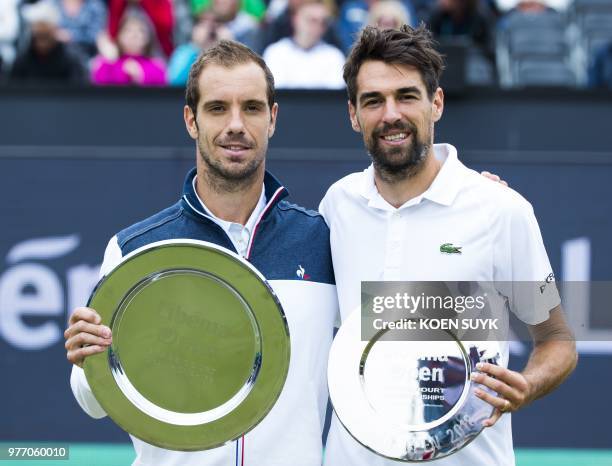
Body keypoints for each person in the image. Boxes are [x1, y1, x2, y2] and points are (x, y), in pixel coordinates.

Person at [65, 40, 338, 466]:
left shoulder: (323, 241)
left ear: (273, 118)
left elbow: (399, 333)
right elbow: (93, 401)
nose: (235, 124)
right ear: (191, 120)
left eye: (251, 107)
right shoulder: (135, 250)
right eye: (217, 108)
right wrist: (87, 361)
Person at [319, 25, 577, 466]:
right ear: (353, 114)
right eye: (373, 100)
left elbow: (557, 340)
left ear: (436, 103)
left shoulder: (500, 209)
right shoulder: (337, 206)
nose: (391, 114)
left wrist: (527, 385)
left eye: (407, 96)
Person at [263, 0, 345, 89]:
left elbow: (335, 98)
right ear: (295, 19)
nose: (318, 26)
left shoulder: (334, 57)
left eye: (323, 22)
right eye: (312, 20)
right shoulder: (275, 53)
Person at [10, 0, 86, 83]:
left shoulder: (71, 59)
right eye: (39, 35)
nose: (42, 40)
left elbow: (79, 90)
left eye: (45, 35)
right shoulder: (23, 60)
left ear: (55, 29)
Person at [92, 12, 167, 86]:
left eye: (140, 31)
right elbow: (99, 83)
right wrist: (111, 62)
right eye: (128, 30)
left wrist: (140, 75)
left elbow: (161, 86)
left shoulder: (156, 66)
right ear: (119, 36)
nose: (134, 35)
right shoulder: (108, 63)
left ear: (148, 38)